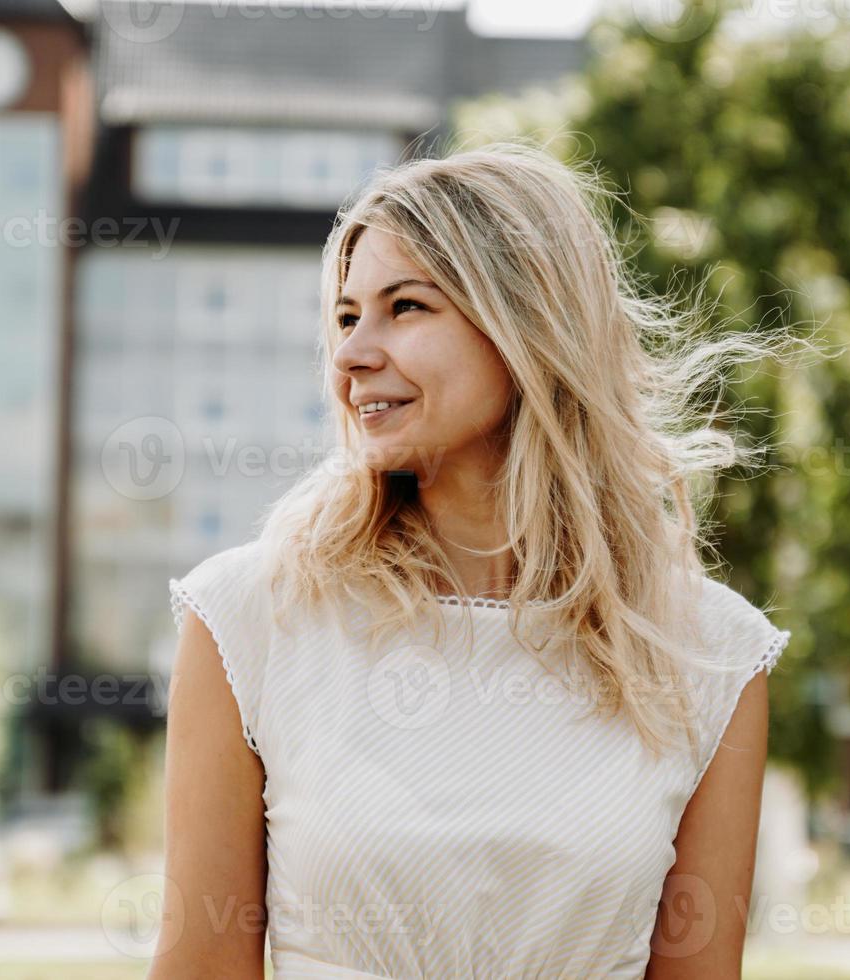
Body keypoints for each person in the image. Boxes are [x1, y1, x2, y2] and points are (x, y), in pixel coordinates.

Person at [150, 139, 795, 979]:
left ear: (527, 324)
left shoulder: (710, 652)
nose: (350, 355)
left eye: (405, 307)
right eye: (346, 317)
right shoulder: (249, 619)